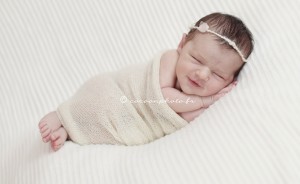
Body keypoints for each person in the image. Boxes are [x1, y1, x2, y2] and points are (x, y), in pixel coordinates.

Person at [38, 12, 254, 151]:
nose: (203, 75)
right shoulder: (171, 59)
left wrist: (206, 104)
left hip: (136, 120)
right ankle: (62, 115)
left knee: (104, 131)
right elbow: (162, 98)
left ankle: (70, 133)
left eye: (218, 75)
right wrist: (205, 102)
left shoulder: (207, 97)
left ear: (230, 81)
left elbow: (182, 119)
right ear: (181, 44)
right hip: (120, 94)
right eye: (196, 59)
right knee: (98, 107)